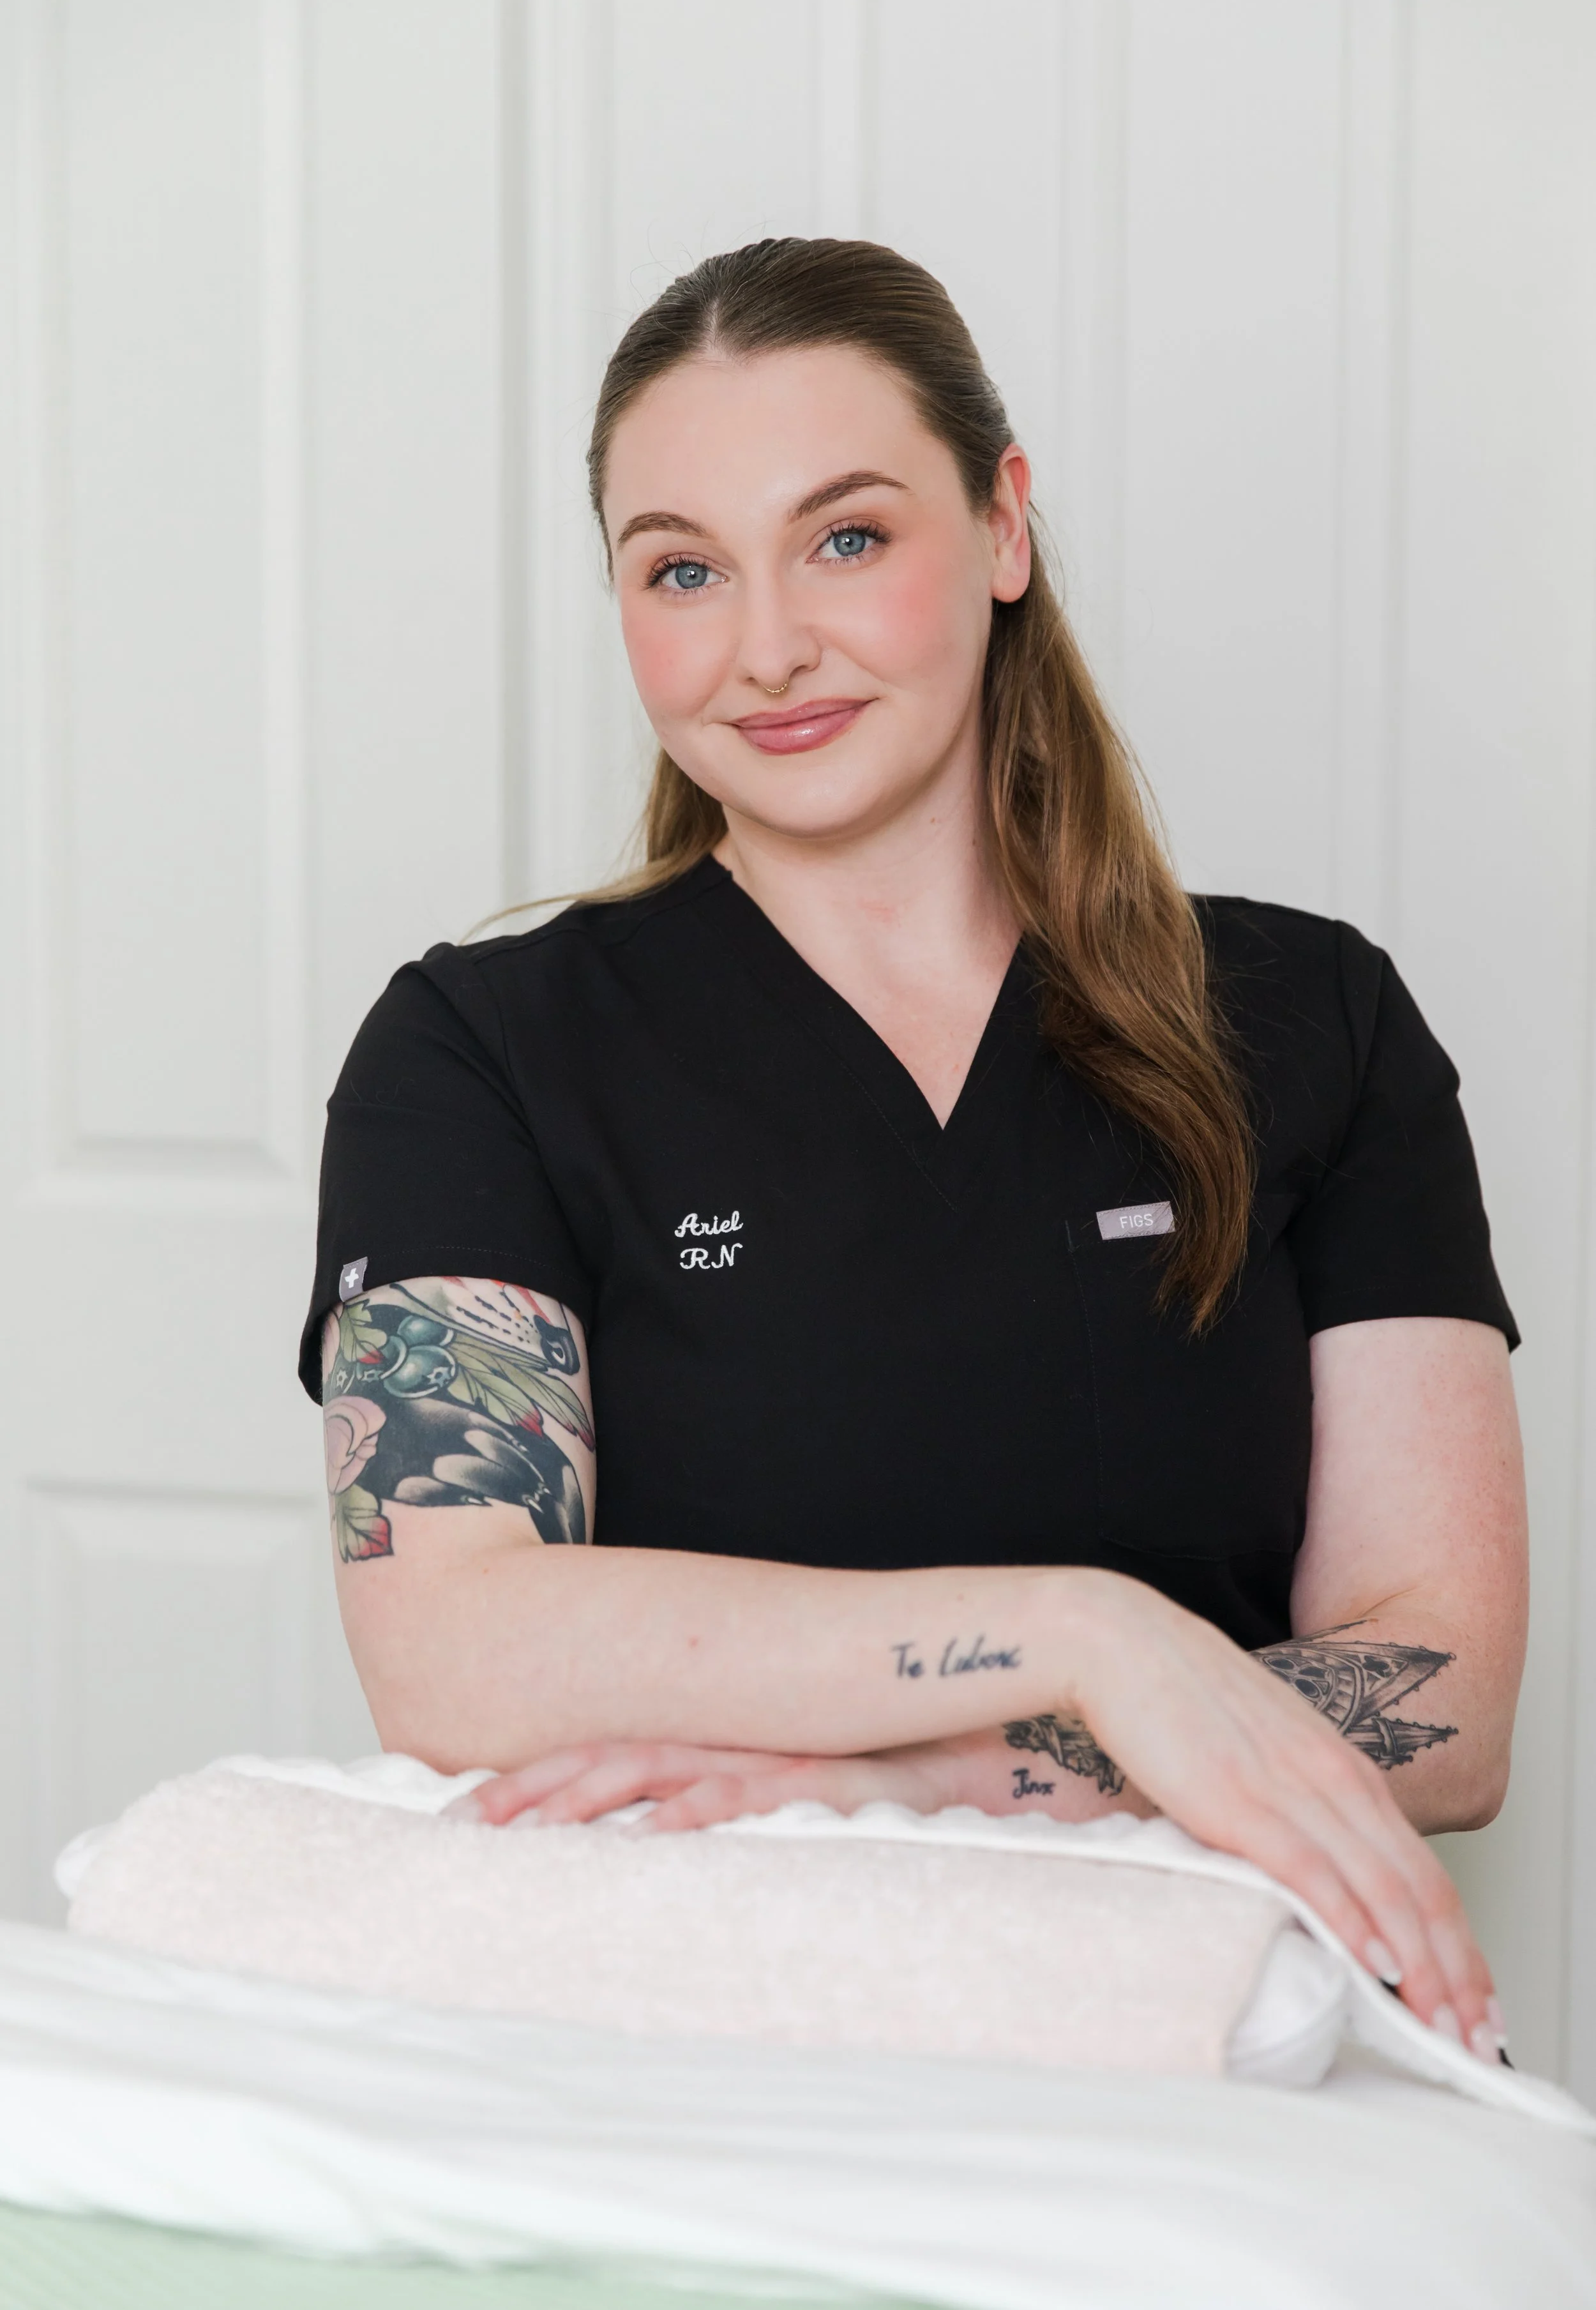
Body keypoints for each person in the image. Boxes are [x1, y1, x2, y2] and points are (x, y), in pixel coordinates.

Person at [301, 238, 1526, 2070]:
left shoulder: (1309, 1017)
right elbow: (452, 1649)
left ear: (1004, 528)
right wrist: (1090, 1636)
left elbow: (1445, 1695)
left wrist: (940, 1765)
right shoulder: (477, 1048)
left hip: (1219, 2038)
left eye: (848, 537)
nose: (767, 643)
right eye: (682, 569)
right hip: (682, 2032)